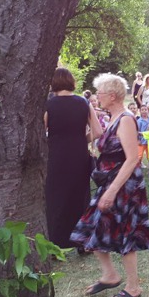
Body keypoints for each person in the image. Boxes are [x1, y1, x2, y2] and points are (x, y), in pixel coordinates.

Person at [72, 73, 149, 297]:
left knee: (126, 233)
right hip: (109, 182)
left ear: (113, 96)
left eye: (100, 93)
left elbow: (132, 159)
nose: (97, 97)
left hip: (124, 185)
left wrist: (112, 190)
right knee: (91, 225)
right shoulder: (113, 117)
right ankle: (110, 275)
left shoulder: (125, 119)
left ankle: (133, 287)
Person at [44, 68, 103, 249]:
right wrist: (81, 140)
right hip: (79, 155)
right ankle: (82, 242)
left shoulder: (48, 105)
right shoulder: (84, 102)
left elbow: (40, 133)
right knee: (80, 197)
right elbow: (98, 131)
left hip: (55, 156)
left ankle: (54, 243)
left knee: (55, 198)